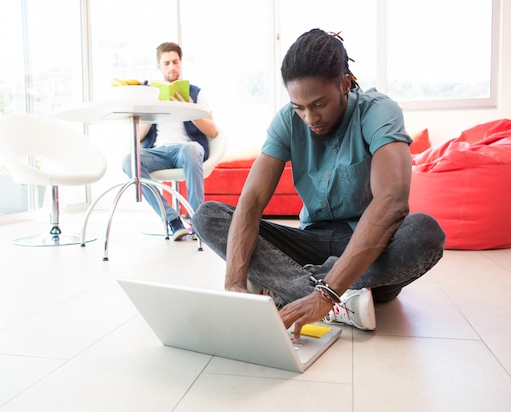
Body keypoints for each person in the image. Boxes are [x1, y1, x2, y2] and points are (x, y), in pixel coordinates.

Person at [192, 29, 446, 341]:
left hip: (370, 246)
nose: (309, 117)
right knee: (208, 216)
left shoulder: (378, 110)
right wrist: (233, 285)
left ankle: (299, 289)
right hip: (310, 243)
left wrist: (324, 294)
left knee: (424, 233)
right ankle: (347, 299)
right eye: (299, 107)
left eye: (319, 104)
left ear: (345, 83)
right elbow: (252, 201)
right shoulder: (287, 120)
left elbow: (393, 200)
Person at [123, 42, 218, 240]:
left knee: (192, 149)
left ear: (181, 63)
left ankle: (197, 221)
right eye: (166, 63)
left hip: (185, 149)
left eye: (175, 62)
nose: (172, 67)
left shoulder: (195, 93)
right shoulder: (149, 94)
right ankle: (172, 220)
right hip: (158, 152)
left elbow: (213, 130)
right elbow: (137, 137)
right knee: (128, 161)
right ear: (159, 66)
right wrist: (150, 110)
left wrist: (191, 109)